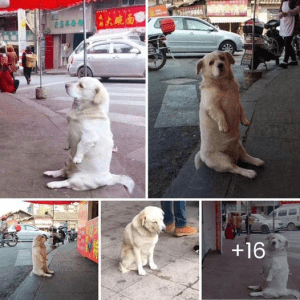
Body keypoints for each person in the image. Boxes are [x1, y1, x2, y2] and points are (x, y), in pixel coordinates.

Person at [279, 0, 300, 68]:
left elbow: (298, 9)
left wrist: (288, 13)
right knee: (287, 43)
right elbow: (280, 11)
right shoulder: (282, 1)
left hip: (292, 24)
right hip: (284, 23)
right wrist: (281, 14)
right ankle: (294, 60)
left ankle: (285, 62)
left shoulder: (294, 0)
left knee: (287, 43)